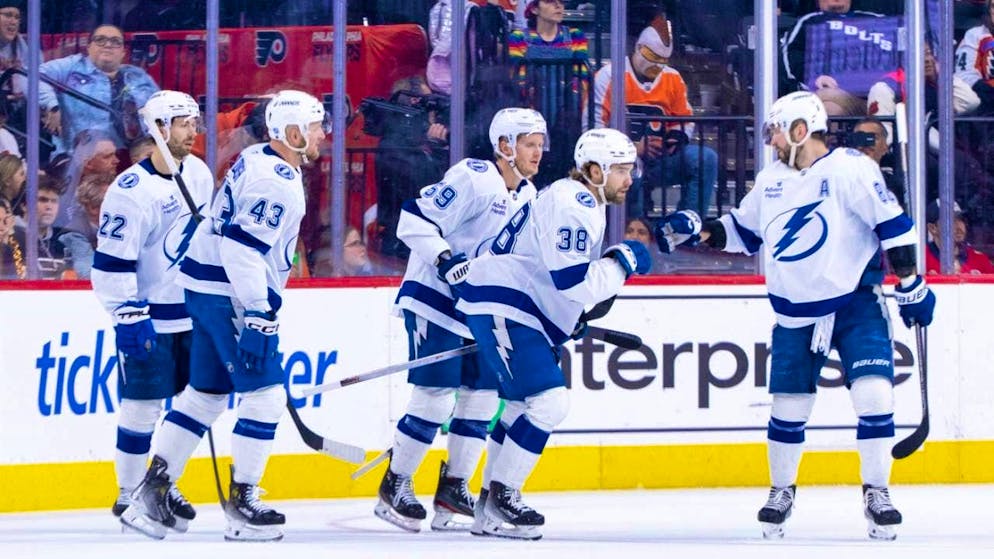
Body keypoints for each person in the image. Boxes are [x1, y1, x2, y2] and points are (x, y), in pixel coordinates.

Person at [660, 91, 934, 540]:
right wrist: (701, 230)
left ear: (799, 130)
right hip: (794, 313)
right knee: (788, 408)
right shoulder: (771, 180)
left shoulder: (850, 169)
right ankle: (781, 491)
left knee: (875, 397)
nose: (768, 139)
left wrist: (909, 284)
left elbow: (894, 225)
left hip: (855, 303)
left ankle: (877, 492)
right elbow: (742, 234)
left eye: (774, 129)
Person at [120, 90, 328, 542]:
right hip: (228, 293)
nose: (322, 134)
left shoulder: (258, 157)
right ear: (292, 134)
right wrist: (257, 311)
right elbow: (241, 248)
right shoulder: (276, 181)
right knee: (266, 398)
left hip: (205, 287)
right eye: (314, 127)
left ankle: (151, 490)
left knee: (207, 393)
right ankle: (242, 502)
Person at [454, 128, 653, 540]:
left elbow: (550, 272)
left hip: (510, 303)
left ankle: (489, 509)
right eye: (620, 170)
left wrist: (564, 317)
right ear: (594, 170)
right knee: (550, 403)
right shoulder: (575, 201)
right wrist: (624, 260)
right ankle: (505, 495)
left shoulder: (575, 199)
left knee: (516, 407)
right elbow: (573, 281)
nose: (628, 179)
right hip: (505, 304)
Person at [377, 107, 547, 533]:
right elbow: (412, 220)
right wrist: (445, 258)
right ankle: (396, 482)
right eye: (530, 144)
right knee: (435, 397)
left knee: (484, 396)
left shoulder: (527, 195)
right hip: (435, 298)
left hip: (476, 309)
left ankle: (454, 488)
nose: (538, 153)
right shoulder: (473, 177)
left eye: (541, 145)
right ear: (505, 145)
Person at [90, 90, 212, 528]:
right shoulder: (130, 191)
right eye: (183, 122)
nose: (193, 130)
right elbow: (111, 261)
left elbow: (204, 243)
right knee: (142, 405)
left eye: (194, 121)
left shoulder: (198, 173)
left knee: (190, 402)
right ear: (158, 129)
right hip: (148, 315)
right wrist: (127, 314)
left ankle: (162, 481)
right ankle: (128, 495)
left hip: (191, 312)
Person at [590, 23, 718, 218]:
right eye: (653, 57)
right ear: (638, 48)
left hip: (662, 159)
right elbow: (593, 128)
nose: (657, 65)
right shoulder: (608, 76)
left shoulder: (673, 78)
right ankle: (634, 229)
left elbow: (684, 118)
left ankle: (686, 226)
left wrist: (676, 137)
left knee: (705, 159)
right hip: (621, 161)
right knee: (632, 170)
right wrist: (633, 149)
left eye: (663, 60)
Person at [39, 24, 160, 156]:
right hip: (79, 159)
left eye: (115, 42)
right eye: (100, 40)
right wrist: (52, 105)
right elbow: (33, 76)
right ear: (89, 47)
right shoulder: (72, 67)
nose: (108, 45)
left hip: (133, 155)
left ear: (123, 52)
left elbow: (161, 108)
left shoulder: (138, 75)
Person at [780, 0, 886, 115]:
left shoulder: (879, 20)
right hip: (824, 96)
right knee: (828, 104)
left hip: (875, 97)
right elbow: (790, 58)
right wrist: (814, 78)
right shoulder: (808, 21)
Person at [58, 172, 113, 279]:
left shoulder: (114, 229)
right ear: (93, 207)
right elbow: (88, 274)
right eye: (114, 202)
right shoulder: (74, 234)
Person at [12, 176, 68, 279]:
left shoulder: (63, 240)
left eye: (54, 201)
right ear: (24, 205)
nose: (49, 207)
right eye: (43, 200)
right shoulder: (9, 236)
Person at [924, 199, 994, 275]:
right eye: (950, 220)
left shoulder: (979, 259)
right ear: (932, 228)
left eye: (961, 219)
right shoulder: (921, 260)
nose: (959, 226)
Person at [955, 0, 994, 115]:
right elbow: (965, 75)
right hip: (987, 102)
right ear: (988, 10)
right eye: (993, 7)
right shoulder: (975, 35)